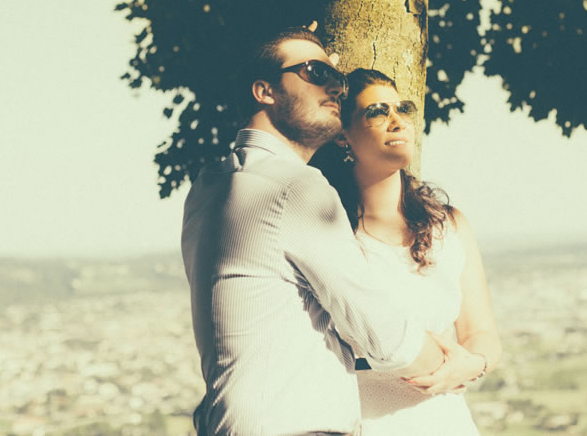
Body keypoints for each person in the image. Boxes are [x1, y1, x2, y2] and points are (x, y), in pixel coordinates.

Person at [181, 28, 462, 436]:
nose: (334, 86)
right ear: (264, 91)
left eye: (337, 77)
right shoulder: (296, 187)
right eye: (314, 71)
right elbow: (381, 332)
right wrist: (456, 363)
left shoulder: (209, 186)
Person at [313, 68, 502, 435]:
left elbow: (482, 332)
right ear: (343, 136)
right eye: (378, 112)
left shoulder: (449, 225)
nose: (398, 121)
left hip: (446, 421)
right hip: (361, 422)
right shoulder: (330, 233)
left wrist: (470, 365)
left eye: (403, 108)